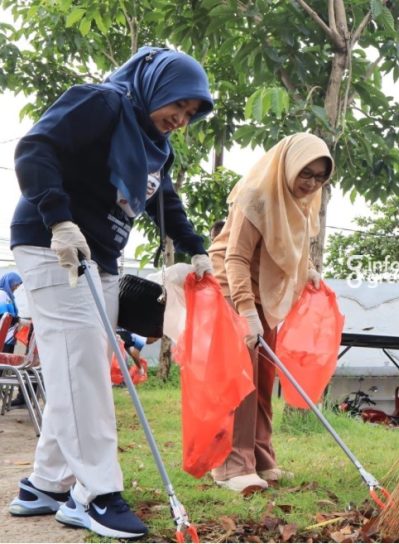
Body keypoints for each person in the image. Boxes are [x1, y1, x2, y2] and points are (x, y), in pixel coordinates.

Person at [7, 46, 214, 540]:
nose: (181, 119)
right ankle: (96, 494)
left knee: (81, 365)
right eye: (178, 105)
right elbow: (35, 149)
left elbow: (165, 200)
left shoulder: (155, 146)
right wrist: (59, 220)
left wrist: (196, 248)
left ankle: (46, 483)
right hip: (53, 243)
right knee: (80, 364)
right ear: (158, 87)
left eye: (190, 114)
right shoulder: (101, 103)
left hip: (99, 256)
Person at [207, 132, 331, 492]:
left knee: (264, 377)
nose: (311, 184)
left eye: (320, 177)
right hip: (234, 290)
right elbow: (235, 257)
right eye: (306, 173)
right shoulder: (256, 196)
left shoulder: (301, 202)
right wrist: (246, 312)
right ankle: (231, 466)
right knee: (240, 380)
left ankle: (260, 456)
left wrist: (308, 272)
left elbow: (288, 248)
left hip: (266, 293)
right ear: (288, 166)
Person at [0, 272, 23, 352]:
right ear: (8, 283)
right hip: (4, 335)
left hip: (8, 335)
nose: (16, 288)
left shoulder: (8, 296)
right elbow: (3, 315)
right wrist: (18, 320)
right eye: (15, 285)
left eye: (18, 285)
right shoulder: (1, 294)